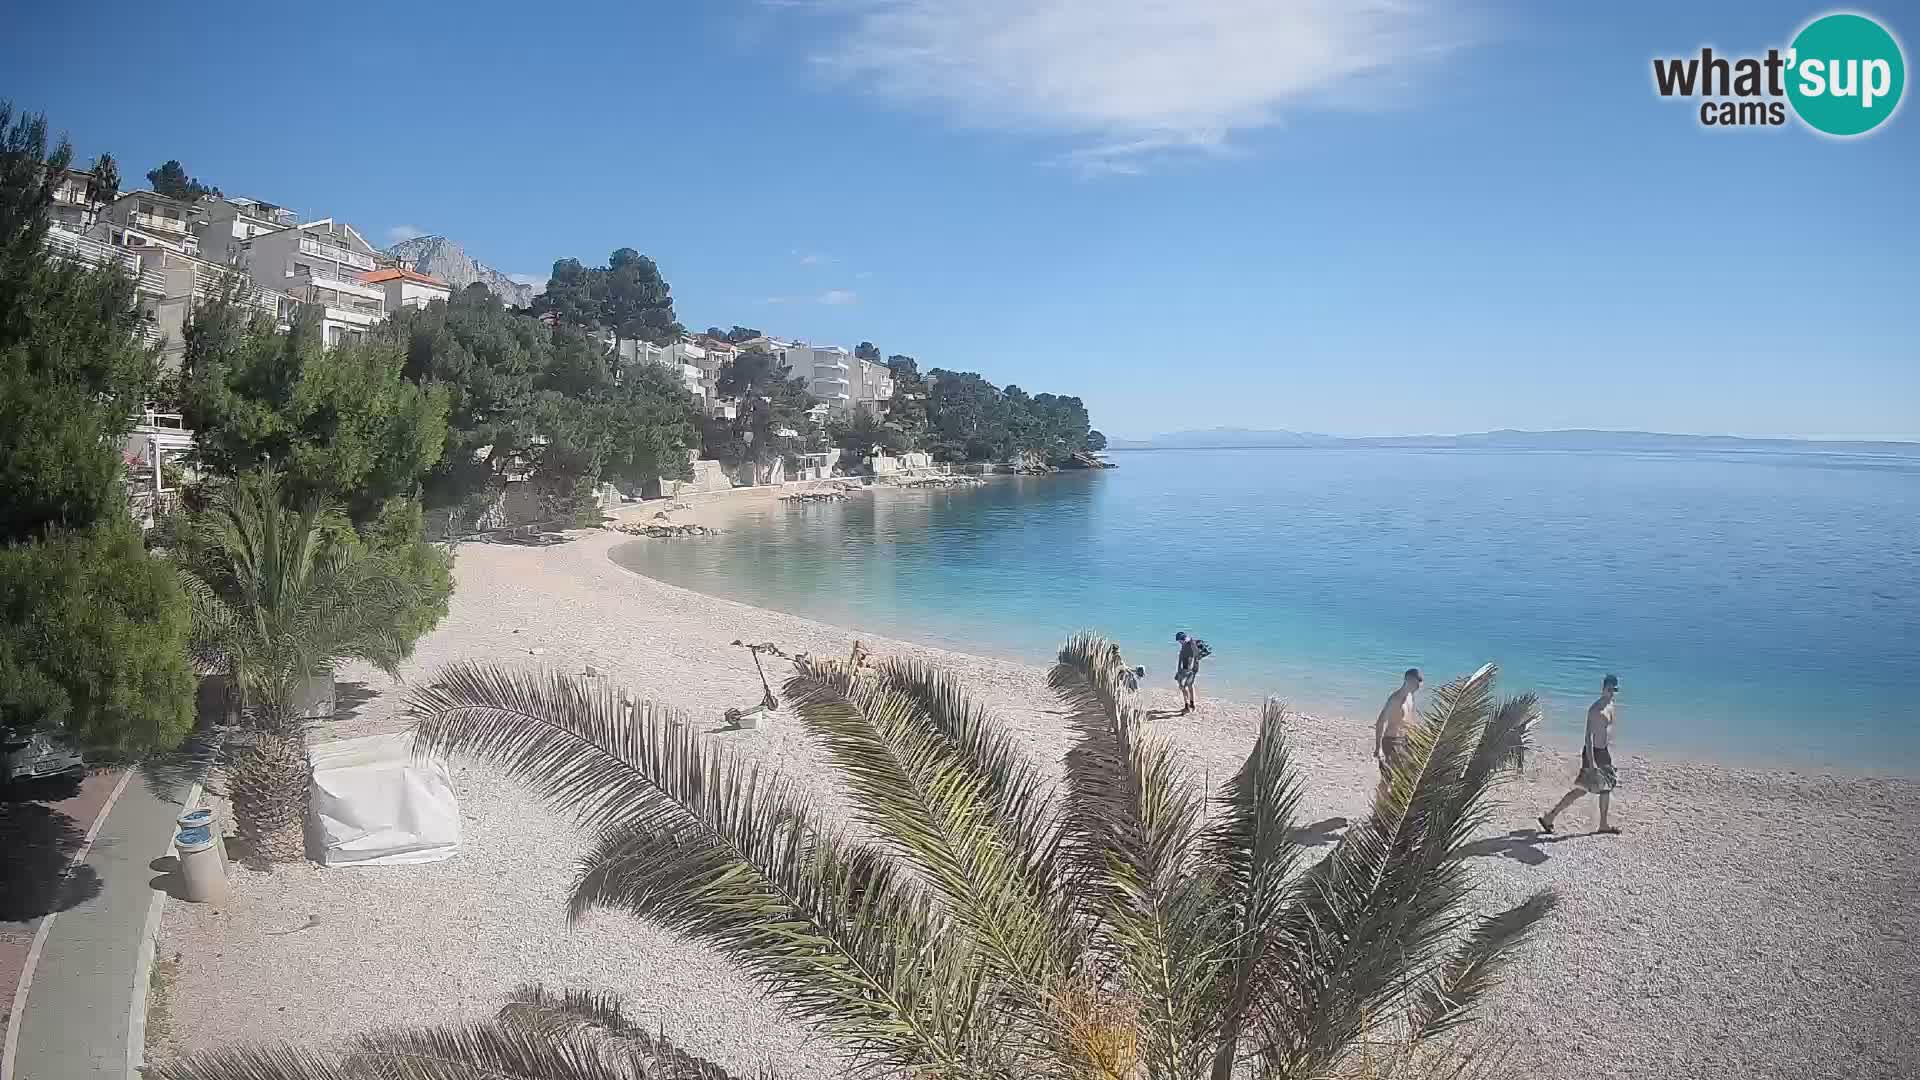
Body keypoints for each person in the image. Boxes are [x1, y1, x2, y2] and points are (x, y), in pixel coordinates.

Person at [1539, 674, 1622, 835]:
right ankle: (1550, 817)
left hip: (1604, 752)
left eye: (1614, 690)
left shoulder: (1610, 705)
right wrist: (1591, 763)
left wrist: (1609, 755)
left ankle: (1603, 825)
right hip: (1593, 754)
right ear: (1603, 688)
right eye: (1609, 689)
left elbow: (1606, 732)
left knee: (1606, 788)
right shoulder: (1595, 710)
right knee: (1582, 790)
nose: (1611, 693)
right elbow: (1588, 737)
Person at [1375, 668, 1423, 797]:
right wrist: (1378, 747)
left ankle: (1392, 805)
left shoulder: (1410, 697)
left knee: (1406, 775)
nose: (1418, 687)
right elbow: (1381, 722)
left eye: (1419, 684)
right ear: (1407, 680)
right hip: (1390, 742)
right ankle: (1379, 810)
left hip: (1404, 741)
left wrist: (1416, 738)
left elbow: (1409, 720)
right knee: (1388, 778)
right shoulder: (1395, 699)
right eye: (1416, 684)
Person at [1173, 631, 1204, 714]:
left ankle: (1188, 706)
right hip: (1191, 669)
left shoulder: (1190, 645)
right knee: (1189, 686)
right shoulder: (1189, 643)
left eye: (1179, 641)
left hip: (1188, 670)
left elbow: (1191, 659)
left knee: (1183, 687)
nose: (1179, 643)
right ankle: (1191, 705)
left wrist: (1181, 672)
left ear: (1182, 639)